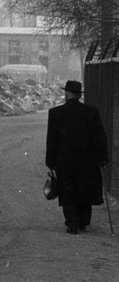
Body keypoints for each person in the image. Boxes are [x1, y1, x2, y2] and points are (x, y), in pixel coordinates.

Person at [45, 80, 109, 234]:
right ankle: (83, 222)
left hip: (64, 159)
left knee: (68, 191)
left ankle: (72, 223)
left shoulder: (55, 113)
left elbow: (52, 140)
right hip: (87, 159)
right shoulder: (92, 112)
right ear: (79, 95)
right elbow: (100, 136)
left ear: (66, 94)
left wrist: (50, 162)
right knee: (84, 189)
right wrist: (102, 157)